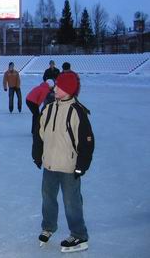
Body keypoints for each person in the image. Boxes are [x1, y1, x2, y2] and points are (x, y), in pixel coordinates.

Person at [32, 73, 94, 253]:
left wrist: (82, 165)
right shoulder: (49, 108)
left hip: (69, 167)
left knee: (71, 202)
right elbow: (39, 134)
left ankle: (79, 235)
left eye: (59, 86)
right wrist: (37, 153)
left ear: (68, 90)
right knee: (48, 198)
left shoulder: (77, 111)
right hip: (49, 164)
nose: (55, 88)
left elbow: (87, 141)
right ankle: (48, 227)